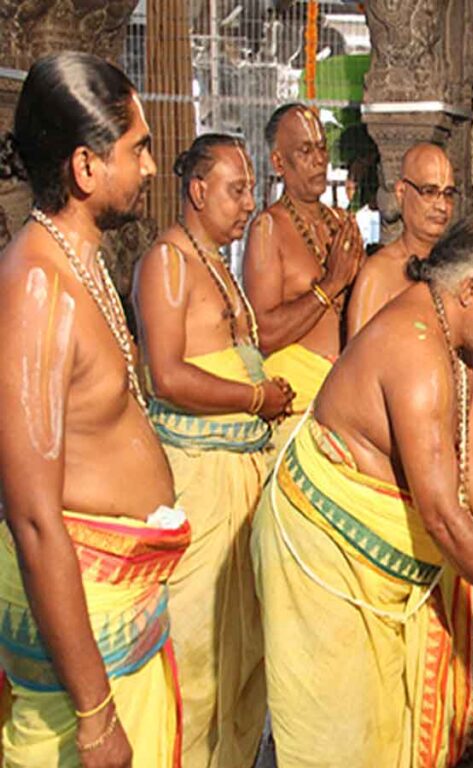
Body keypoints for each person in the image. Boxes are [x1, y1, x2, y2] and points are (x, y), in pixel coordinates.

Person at [251, 214, 473, 767]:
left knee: (383, 728)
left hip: (370, 559)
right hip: (326, 556)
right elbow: (442, 516)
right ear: (469, 290)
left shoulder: (454, 344)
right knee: (341, 738)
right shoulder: (418, 355)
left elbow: (472, 460)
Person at [0, 52, 189, 767]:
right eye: (137, 148)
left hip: (122, 612)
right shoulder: (37, 286)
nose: (148, 167)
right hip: (86, 645)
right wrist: (95, 714)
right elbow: (33, 515)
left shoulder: (79, 263)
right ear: (86, 167)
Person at [133, 134, 295, 767]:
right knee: (198, 648)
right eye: (236, 190)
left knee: (247, 647)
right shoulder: (167, 263)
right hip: (199, 479)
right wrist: (255, 398)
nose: (248, 203)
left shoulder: (215, 262)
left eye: (251, 189)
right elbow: (166, 375)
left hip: (244, 476)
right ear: (197, 191)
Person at [243, 103, 364, 453]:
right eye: (305, 150)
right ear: (280, 163)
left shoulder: (342, 224)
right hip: (297, 406)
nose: (319, 160)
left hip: (346, 399)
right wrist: (330, 285)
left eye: (322, 148)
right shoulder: (268, 229)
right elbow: (263, 334)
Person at [346, 142, 457, 337]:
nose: (442, 206)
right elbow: (358, 363)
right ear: (401, 192)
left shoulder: (459, 267)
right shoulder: (377, 274)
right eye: (429, 192)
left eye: (448, 194)